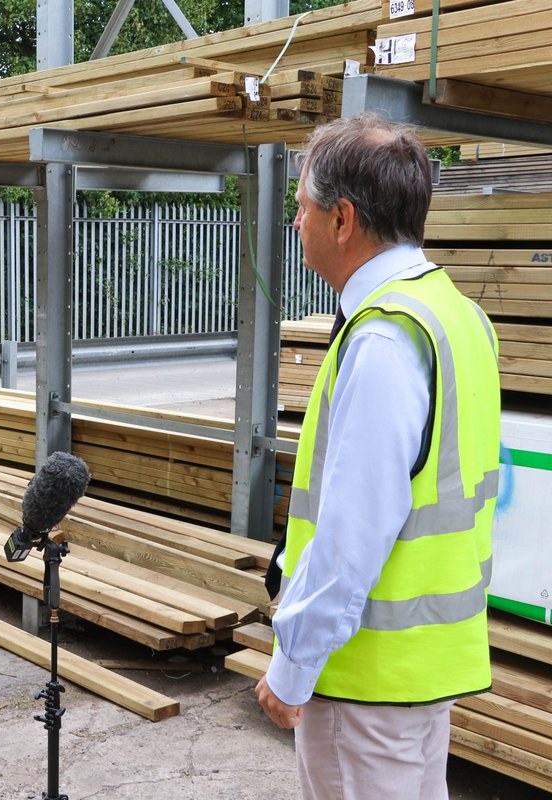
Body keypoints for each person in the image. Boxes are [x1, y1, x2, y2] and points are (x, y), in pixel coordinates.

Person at [256, 114, 501, 800]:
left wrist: (293, 667)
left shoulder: (384, 339)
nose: (296, 224)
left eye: (301, 208)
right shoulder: (453, 313)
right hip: (423, 668)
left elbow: (351, 533)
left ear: (342, 219)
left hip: (364, 680)